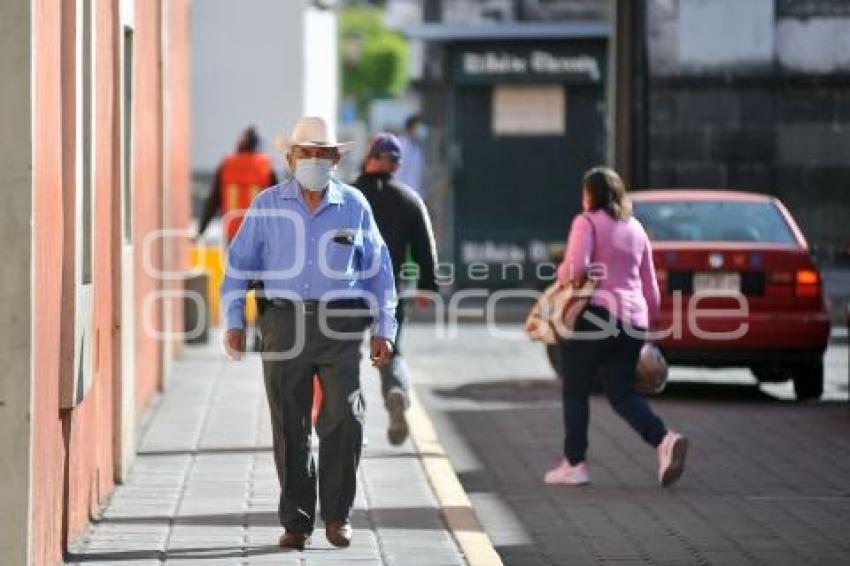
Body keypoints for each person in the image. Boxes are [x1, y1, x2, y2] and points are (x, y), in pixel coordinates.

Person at [220, 117, 397, 550]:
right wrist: (234, 322)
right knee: (290, 425)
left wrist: (384, 328)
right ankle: (297, 522)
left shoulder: (354, 205)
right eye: (306, 152)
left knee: (344, 418)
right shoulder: (266, 205)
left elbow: (380, 271)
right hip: (282, 324)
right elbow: (238, 266)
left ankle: (337, 516)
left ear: (336, 159)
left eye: (323, 153)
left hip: (340, 325)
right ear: (290, 157)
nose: (314, 160)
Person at [544, 167, 688, 487]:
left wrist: (563, 273)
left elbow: (577, 267)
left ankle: (574, 463)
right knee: (622, 394)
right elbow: (650, 284)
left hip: (596, 315)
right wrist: (648, 325)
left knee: (575, 388)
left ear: (590, 194)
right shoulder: (636, 228)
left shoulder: (587, 222)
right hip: (633, 321)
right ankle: (664, 439)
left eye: (585, 192)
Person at [354, 133, 439, 446]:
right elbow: (425, 248)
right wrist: (428, 287)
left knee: (344, 355)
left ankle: (348, 418)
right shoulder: (409, 199)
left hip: (349, 292)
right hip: (392, 291)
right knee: (390, 350)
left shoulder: (348, 195)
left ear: (371, 157)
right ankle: (396, 391)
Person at [197, 126, 279, 242]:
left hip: (233, 230)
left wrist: (201, 230)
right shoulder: (266, 167)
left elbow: (213, 201)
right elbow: (278, 202)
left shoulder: (226, 166)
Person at [396, 114, 426, 200]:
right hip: (404, 195)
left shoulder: (416, 146)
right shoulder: (403, 146)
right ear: (411, 127)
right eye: (418, 126)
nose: (421, 130)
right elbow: (399, 172)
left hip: (415, 194)